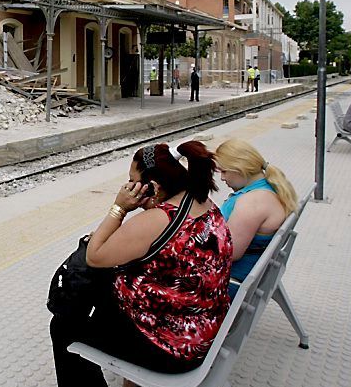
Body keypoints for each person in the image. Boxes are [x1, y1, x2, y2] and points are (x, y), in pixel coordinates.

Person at [50, 142, 232, 383]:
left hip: (171, 348)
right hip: (201, 325)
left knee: (63, 326)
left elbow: (94, 256)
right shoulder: (202, 203)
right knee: (94, 291)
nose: (128, 187)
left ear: (153, 187)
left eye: (132, 181)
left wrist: (119, 208)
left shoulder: (157, 219)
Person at [214, 139, 298, 298]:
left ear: (240, 169)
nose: (222, 178)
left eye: (224, 171)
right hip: (249, 269)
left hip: (230, 282)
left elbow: (229, 253)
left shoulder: (252, 202)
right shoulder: (270, 187)